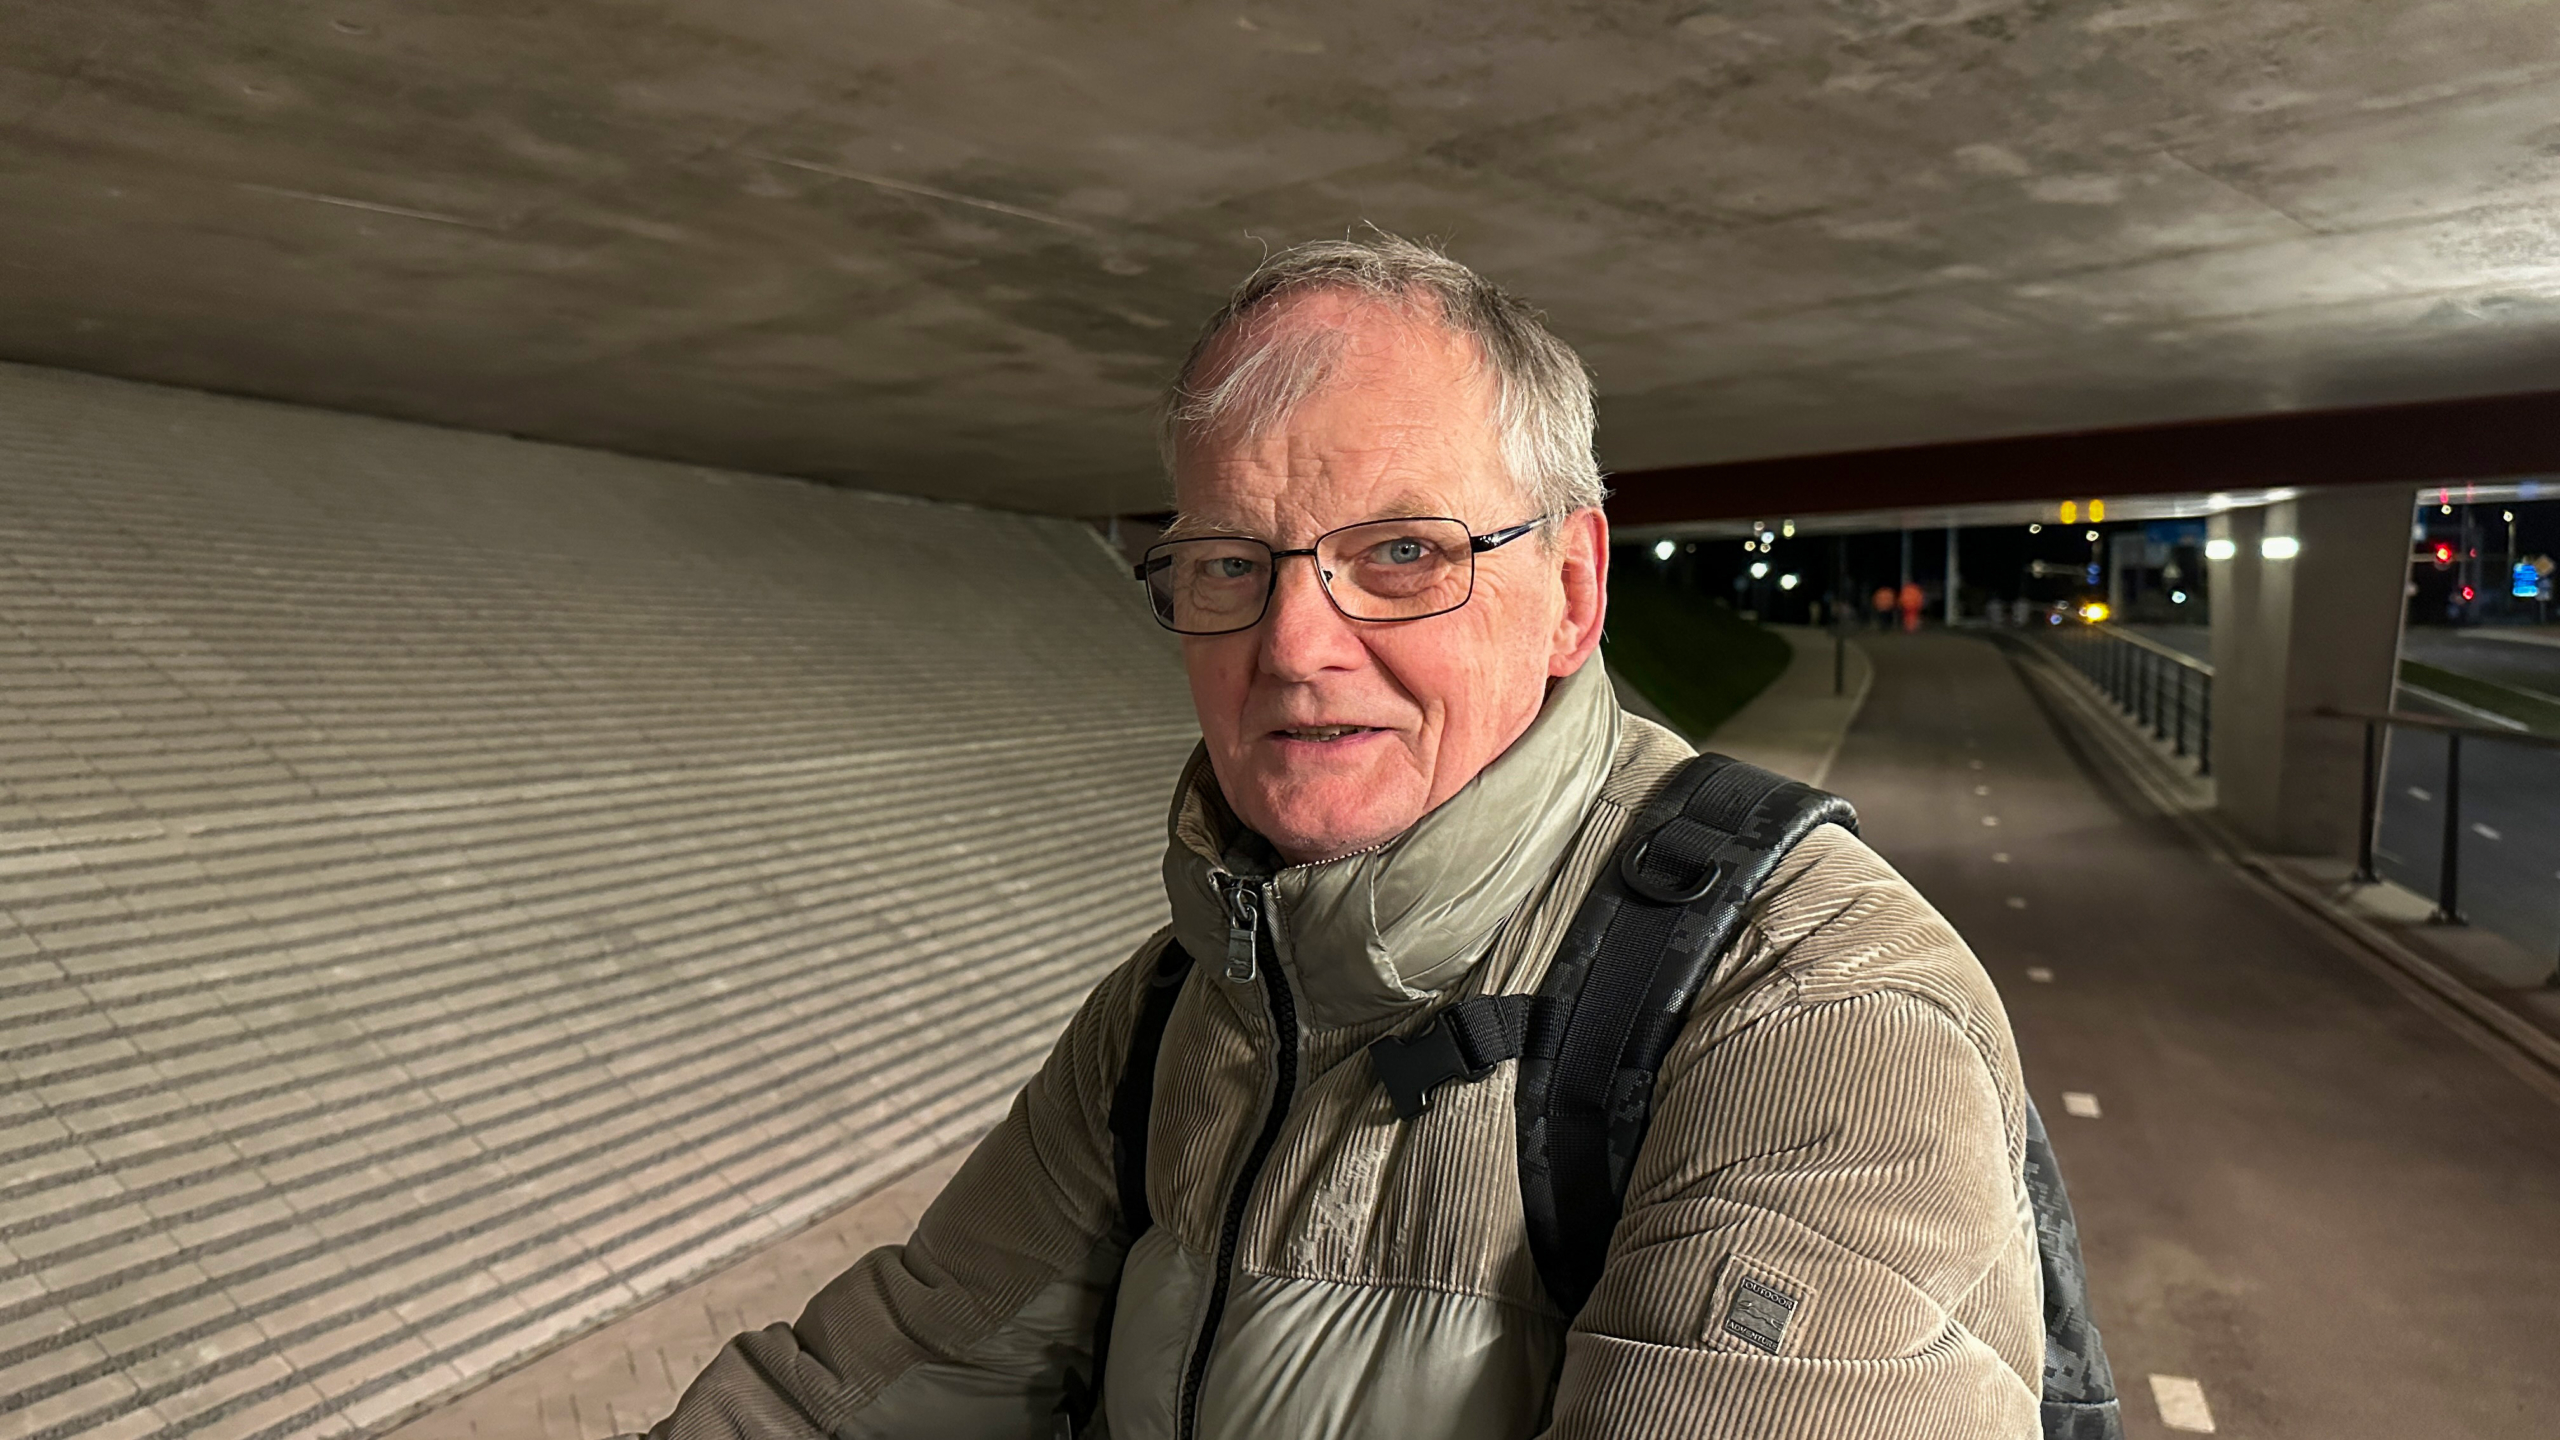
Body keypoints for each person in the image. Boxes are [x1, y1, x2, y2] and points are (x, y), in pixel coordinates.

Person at [636, 234, 2042, 1438]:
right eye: (1232, 564)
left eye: (1406, 555)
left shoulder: (1811, 1017)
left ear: (1568, 589)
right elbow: (866, 1387)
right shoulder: (1182, 1010)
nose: (1296, 644)